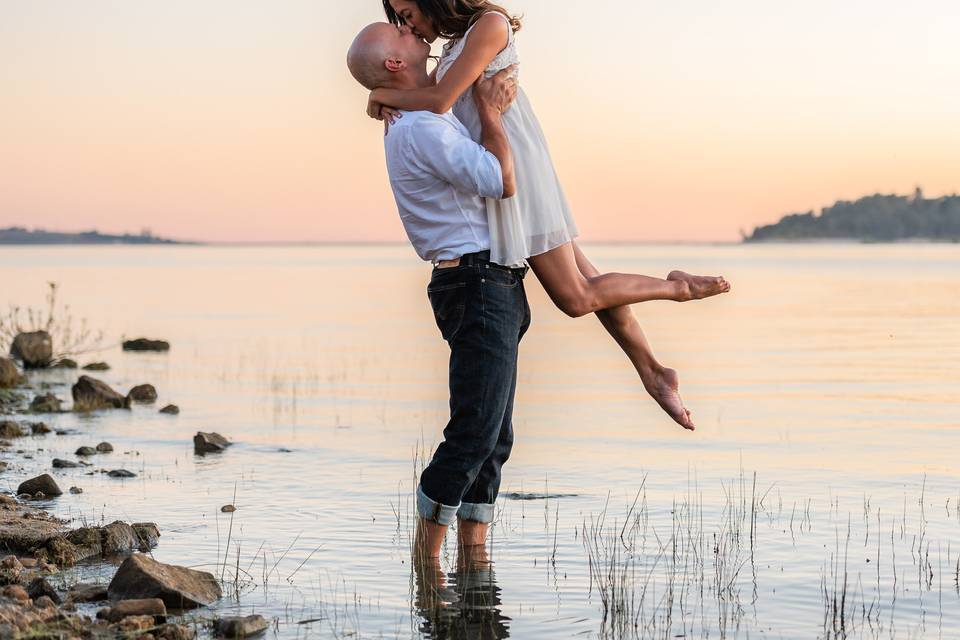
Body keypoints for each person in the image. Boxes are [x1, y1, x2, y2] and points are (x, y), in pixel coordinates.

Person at [368, 0, 732, 431]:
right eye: (402, 20)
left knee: (576, 296)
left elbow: (441, 100)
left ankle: (678, 289)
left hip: (516, 167)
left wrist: (379, 94)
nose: (408, 24)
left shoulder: (490, 25)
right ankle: (653, 371)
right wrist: (382, 97)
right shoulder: (451, 49)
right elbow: (424, 97)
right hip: (500, 161)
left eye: (408, 14)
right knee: (587, 281)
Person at [348, 21, 527, 558]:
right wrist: (492, 114)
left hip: (488, 278)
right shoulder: (421, 128)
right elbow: (501, 179)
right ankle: (427, 560)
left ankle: (475, 553)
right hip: (474, 282)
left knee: (496, 436)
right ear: (397, 64)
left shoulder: (419, 118)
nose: (411, 30)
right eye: (399, 33)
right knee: (474, 432)